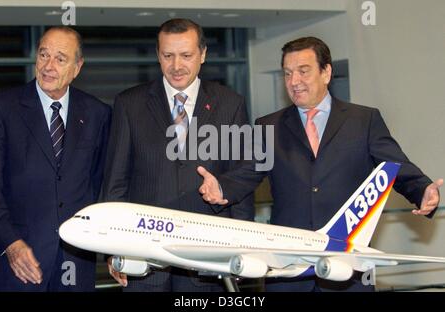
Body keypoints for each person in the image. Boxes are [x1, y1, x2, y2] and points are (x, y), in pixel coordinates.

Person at [197, 36, 442, 292]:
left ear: (326, 72)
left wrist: (422, 190)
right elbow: (249, 171)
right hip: (287, 267)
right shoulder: (268, 125)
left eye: (303, 71)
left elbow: (394, 164)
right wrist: (222, 188)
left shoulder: (363, 120)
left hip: (345, 266)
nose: (294, 82)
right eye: (288, 73)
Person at [100, 18, 254, 292]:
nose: (176, 66)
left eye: (186, 55)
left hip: (208, 259)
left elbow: (242, 179)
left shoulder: (231, 103)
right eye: (168, 55)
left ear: (203, 55)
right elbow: (116, 183)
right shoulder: (128, 103)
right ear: (158, 55)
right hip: (144, 257)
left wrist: (244, 249)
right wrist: (114, 247)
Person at [0, 27, 111, 291]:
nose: (48, 66)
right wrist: (10, 243)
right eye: (43, 55)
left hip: (77, 262)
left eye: (60, 59)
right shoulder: (2, 109)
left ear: (77, 67)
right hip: (18, 263)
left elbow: (100, 188)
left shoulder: (98, 114)